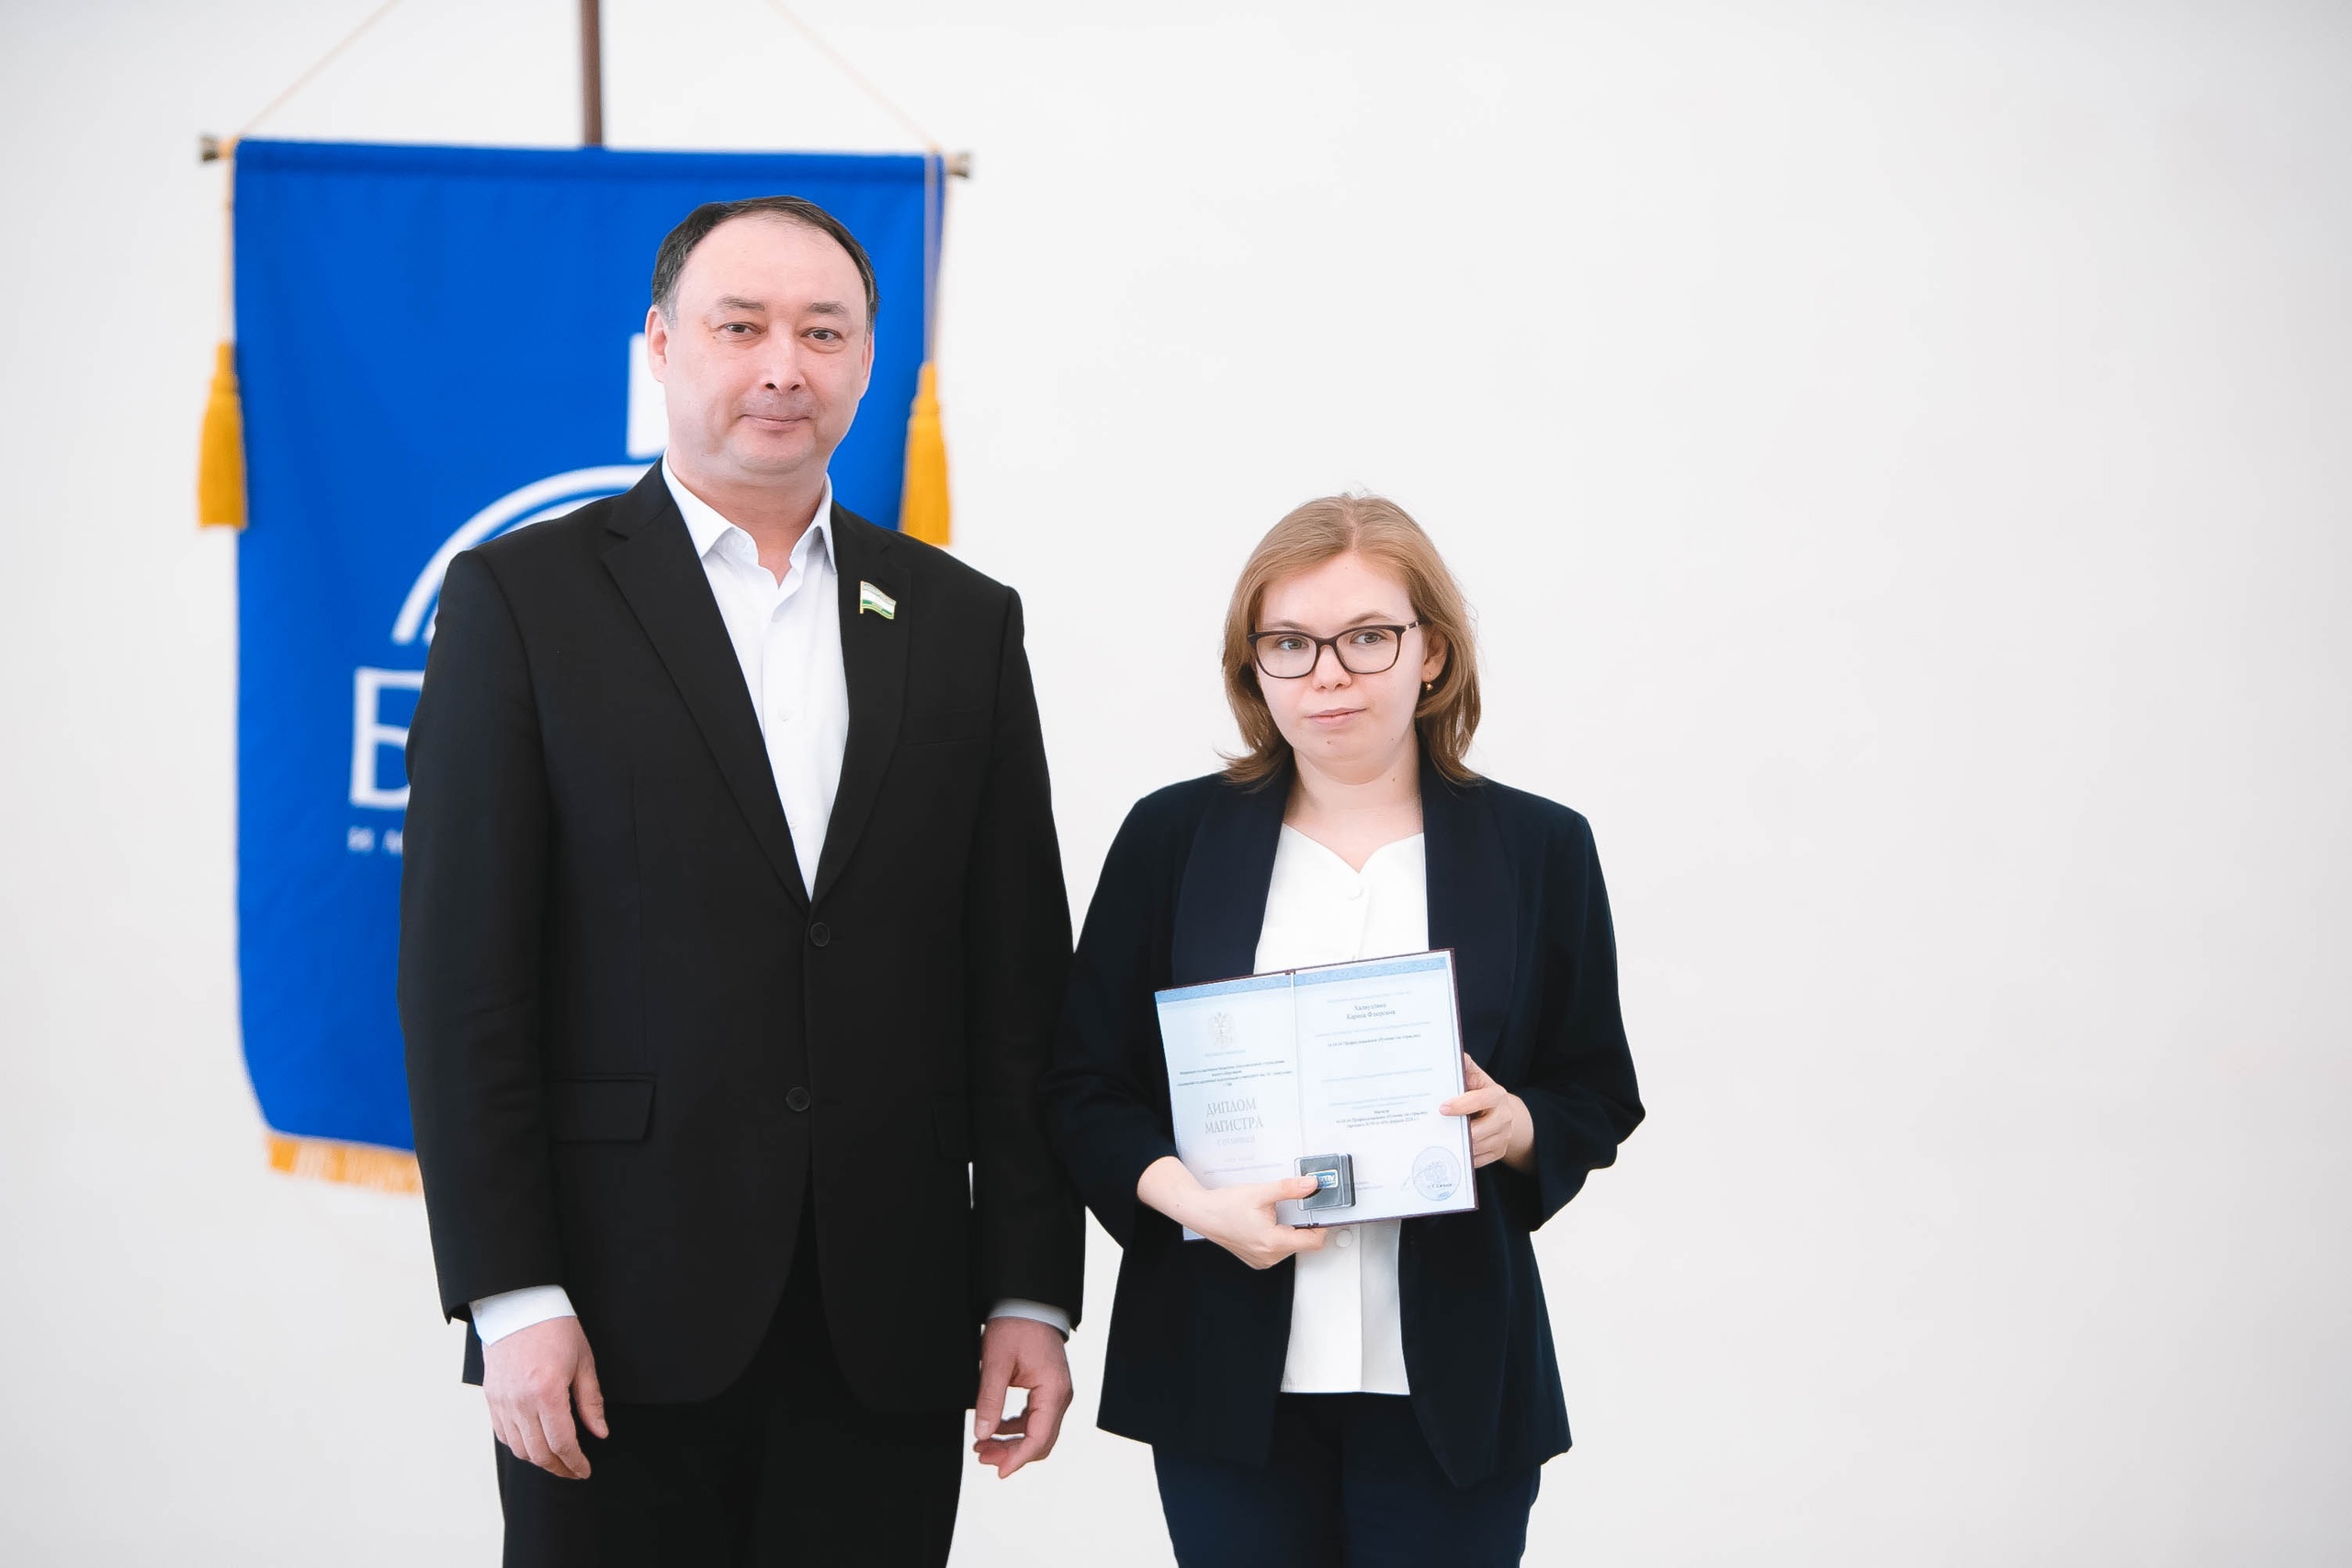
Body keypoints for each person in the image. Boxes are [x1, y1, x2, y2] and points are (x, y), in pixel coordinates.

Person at [399, 195, 1082, 1566]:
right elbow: (463, 981)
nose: (784, 366)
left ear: (867, 361)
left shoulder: (959, 620)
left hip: (886, 1318)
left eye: (823, 333)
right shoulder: (523, 601)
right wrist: (511, 1292)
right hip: (610, 1315)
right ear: (661, 345)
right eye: (741, 326)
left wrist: (1029, 1286)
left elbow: (1018, 983)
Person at [1039, 494, 1644, 1566]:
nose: (1327, 675)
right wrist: (1193, 1203)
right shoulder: (1171, 838)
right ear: (1253, 664)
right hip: (1223, 1364)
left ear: (1431, 653)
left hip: (1454, 1369)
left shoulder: (1538, 847)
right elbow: (1085, 1084)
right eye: (1290, 643)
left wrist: (1514, 1126)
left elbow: (1593, 1088)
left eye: (1367, 637)